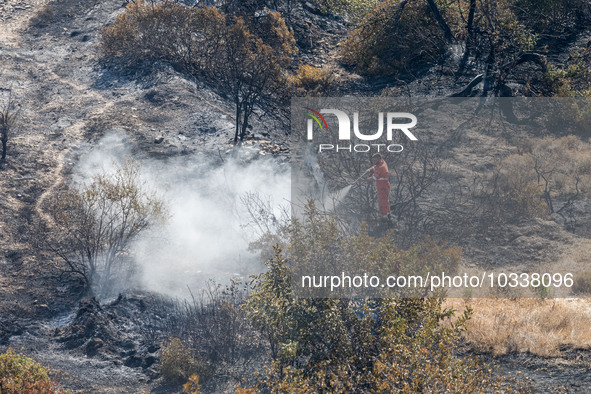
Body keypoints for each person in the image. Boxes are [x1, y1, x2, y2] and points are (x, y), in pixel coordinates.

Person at [366, 153, 391, 220]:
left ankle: (384, 216)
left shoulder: (381, 168)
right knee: (385, 200)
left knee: (382, 200)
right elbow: (375, 167)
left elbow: (373, 178)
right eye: (373, 160)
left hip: (383, 185)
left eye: (375, 160)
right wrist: (370, 170)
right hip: (383, 184)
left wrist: (363, 180)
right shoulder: (382, 162)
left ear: (379, 159)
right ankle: (388, 213)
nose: (374, 162)